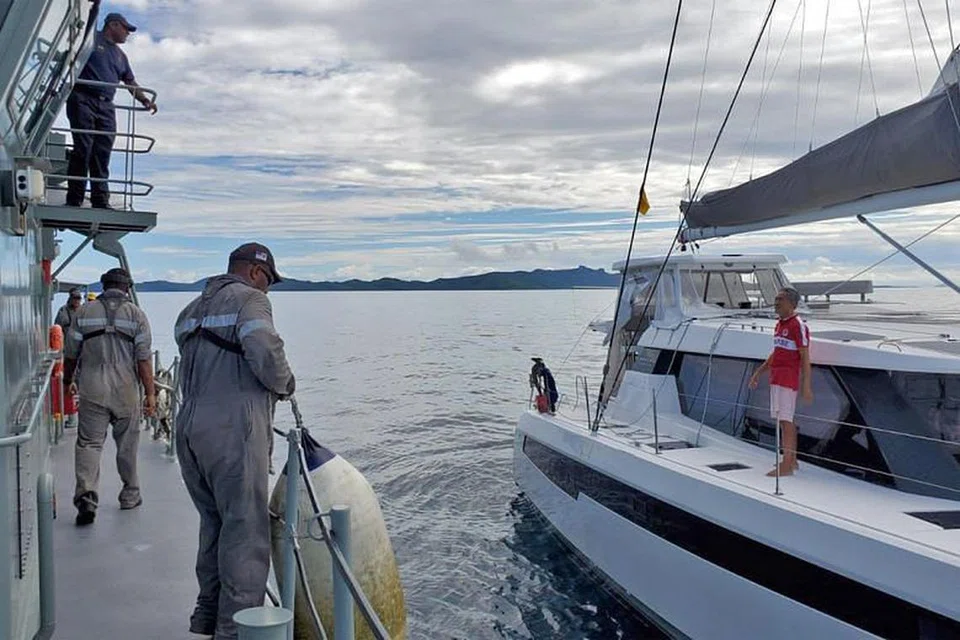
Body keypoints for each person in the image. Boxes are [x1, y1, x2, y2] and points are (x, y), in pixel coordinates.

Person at [175, 243, 295, 639]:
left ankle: (207, 616)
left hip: (189, 429)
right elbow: (265, 352)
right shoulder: (251, 301)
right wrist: (286, 384)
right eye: (269, 283)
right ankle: (237, 632)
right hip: (231, 432)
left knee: (214, 525)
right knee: (245, 530)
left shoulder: (190, 310)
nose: (269, 291)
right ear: (257, 273)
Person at [63, 268, 155, 525]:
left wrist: (67, 381)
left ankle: (86, 496)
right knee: (127, 444)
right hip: (126, 388)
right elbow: (144, 360)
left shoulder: (83, 313)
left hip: (92, 386)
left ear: (104, 286)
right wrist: (150, 394)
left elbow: (71, 355)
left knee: (89, 444)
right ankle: (130, 494)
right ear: (127, 288)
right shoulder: (137, 315)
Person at [65, 12, 158, 209]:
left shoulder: (121, 56)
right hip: (83, 98)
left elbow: (130, 81)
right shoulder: (91, 39)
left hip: (106, 105)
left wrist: (144, 99)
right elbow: (84, 26)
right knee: (83, 149)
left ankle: (100, 200)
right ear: (113, 25)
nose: (127, 34)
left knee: (102, 153)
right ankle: (74, 199)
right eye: (126, 29)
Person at [748, 287, 813, 477]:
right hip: (776, 377)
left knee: (786, 421)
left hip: (788, 379)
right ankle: (791, 460)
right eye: (776, 299)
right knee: (782, 420)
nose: (776, 303)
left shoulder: (797, 325)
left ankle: (787, 463)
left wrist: (806, 385)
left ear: (792, 304)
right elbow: (776, 354)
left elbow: (805, 357)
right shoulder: (779, 325)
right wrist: (758, 373)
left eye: (781, 299)